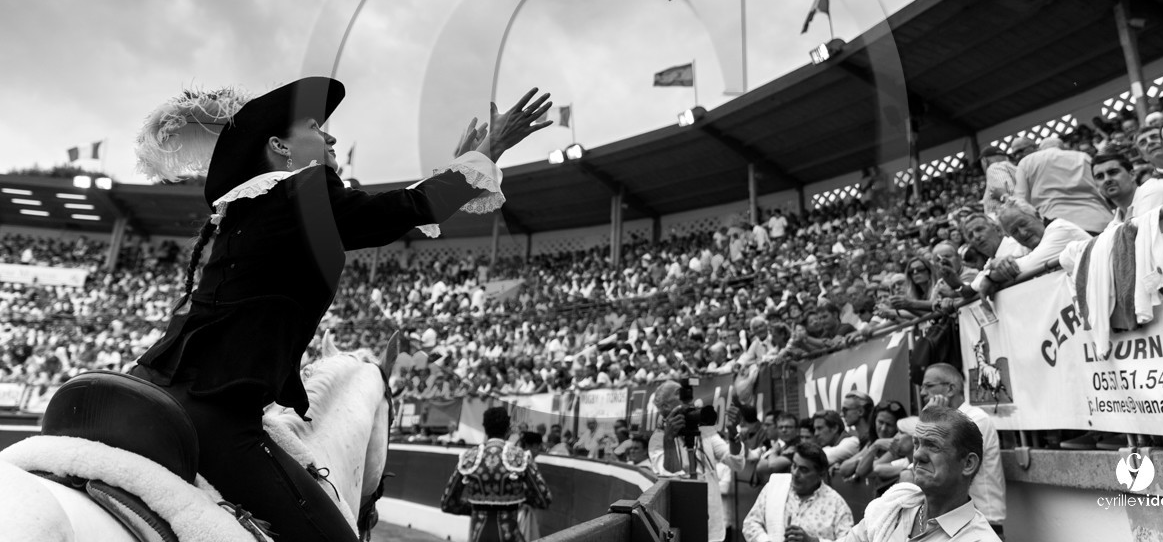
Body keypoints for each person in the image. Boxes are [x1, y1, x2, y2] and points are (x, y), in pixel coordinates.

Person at [129, 77, 553, 541]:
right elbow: (399, 210)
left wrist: (461, 168)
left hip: (149, 389)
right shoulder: (300, 191)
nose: (329, 136)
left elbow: (386, 208)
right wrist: (485, 154)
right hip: (215, 414)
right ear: (278, 146)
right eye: (314, 125)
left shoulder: (255, 206)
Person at [802, 406, 1000, 542]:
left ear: (968, 463)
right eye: (916, 444)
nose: (918, 454)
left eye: (932, 446)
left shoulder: (979, 538)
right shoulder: (895, 507)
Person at [911, 364, 1005, 535]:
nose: (923, 393)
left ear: (950, 389)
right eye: (922, 387)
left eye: (929, 386)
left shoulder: (975, 419)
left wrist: (930, 414)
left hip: (980, 524)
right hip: (946, 523)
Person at [649, 380, 745, 542]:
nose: (688, 404)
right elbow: (670, 476)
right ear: (665, 408)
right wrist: (669, 439)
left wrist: (733, 434)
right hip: (683, 527)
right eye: (680, 399)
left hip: (714, 527)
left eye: (689, 399)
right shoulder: (658, 439)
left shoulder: (705, 431)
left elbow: (736, 463)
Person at [442, 407, 553, 542]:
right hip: (509, 535)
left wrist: (477, 508)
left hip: (478, 535)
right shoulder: (519, 456)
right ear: (507, 429)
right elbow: (544, 499)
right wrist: (519, 497)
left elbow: (447, 503)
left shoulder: (469, 457)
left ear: (485, 428)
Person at [742, 443, 855, 542]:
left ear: (821, 474)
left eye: (803, 469)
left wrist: (814, 541)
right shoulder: (775, 487)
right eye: (794, 466)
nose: (795, 473)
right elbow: (750, 523)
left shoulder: (836, 505)